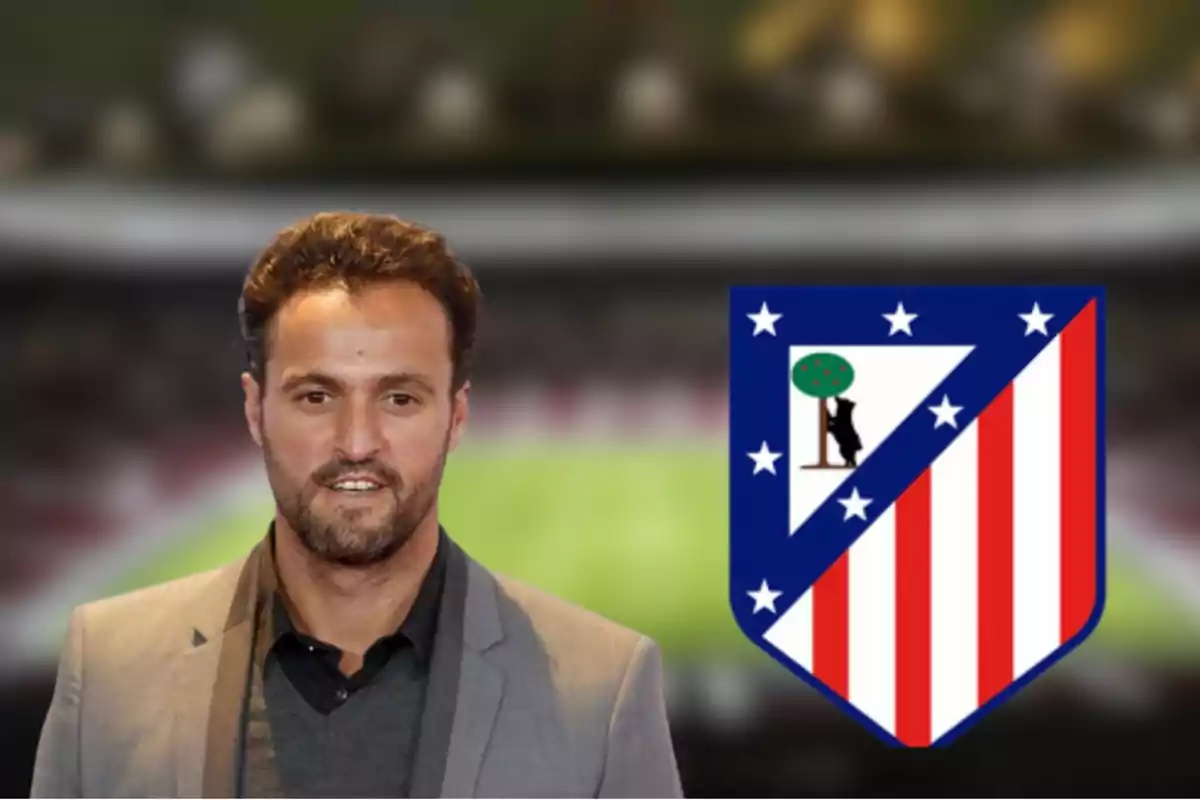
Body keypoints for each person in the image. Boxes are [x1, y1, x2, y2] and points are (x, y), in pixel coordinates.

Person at [31, 212, 683, 798]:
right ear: (255, 409)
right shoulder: (109, 667)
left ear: (456, 418)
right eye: (316, 396)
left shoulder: (605, 689)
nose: (357, 442)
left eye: (399, 398)